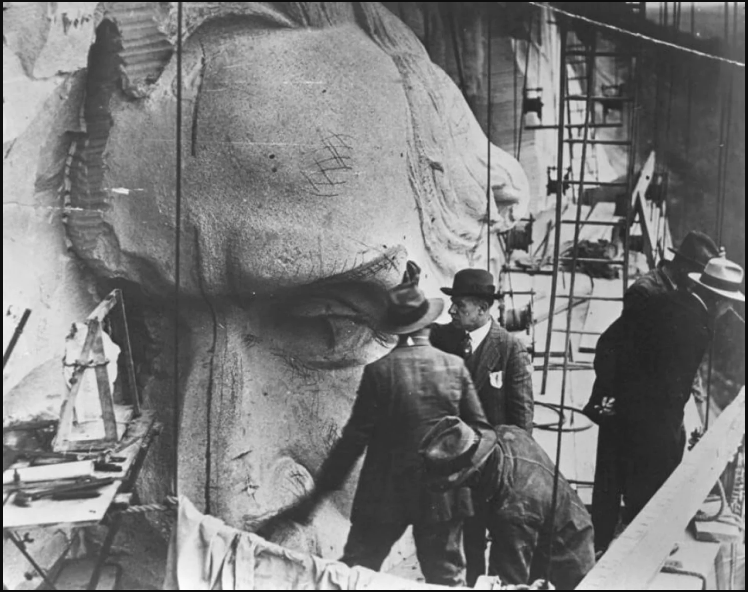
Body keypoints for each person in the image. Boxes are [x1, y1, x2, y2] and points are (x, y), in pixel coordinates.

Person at [273, 282, 489, 586]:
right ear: (427, 324)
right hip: (442, 498)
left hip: (385, 495)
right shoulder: (455, 368)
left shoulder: (380, 371)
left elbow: (352, 442)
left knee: (356, 573)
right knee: (445, 580)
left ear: (398, 329)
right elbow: (481, 433)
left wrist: (315, 498)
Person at [588, 256, 745, 550]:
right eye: (729, 304)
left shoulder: (663, 300)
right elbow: (672, 392)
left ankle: (597, 546)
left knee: (608, 482)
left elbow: (609, 341)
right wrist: (673, 437)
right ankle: (640, 551)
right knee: (652, 482)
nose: (729, 311)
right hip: (646, 417)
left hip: (617, 407)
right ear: (718, 302)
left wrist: (610, 392)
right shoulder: (696, 328)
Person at [430, 267, 534, 585]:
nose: (451, 311)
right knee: (466, 543)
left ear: (482, 309)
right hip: (457, 466)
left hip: (494, 467)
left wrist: (513, 474)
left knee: (503, 545)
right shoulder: (444, 338)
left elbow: (522, 419)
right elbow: (419, 326)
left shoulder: (509, 349)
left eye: (459, 306)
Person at [420, 417, 595, 590]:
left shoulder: (513, 511)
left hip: (567, 556)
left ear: (475, 474)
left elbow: (508, 580)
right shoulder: (507, 434)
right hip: (556, 522)